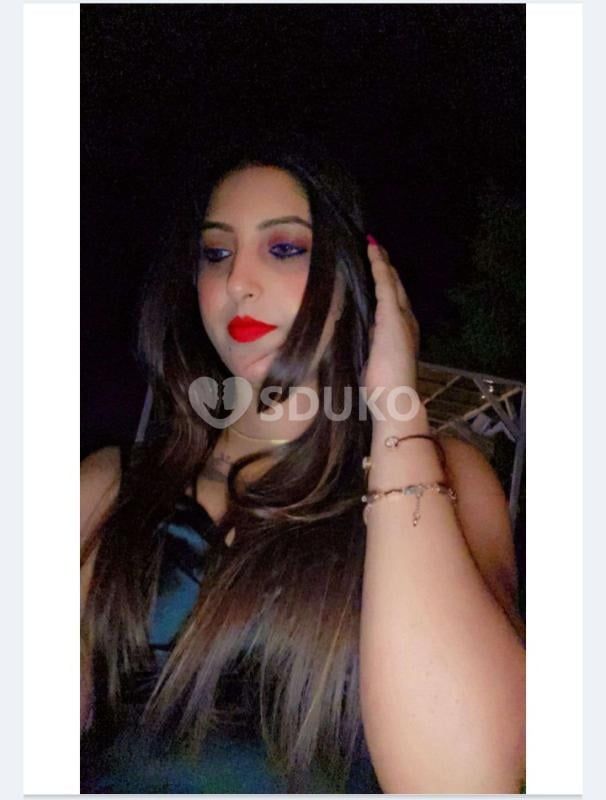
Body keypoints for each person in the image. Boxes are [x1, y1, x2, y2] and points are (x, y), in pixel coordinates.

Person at [80, 135, 526, 794]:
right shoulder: (110, 487)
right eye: (216, 253)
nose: (237, 281)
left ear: (353, 279)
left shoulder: (446, 479)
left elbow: (467, 778)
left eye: (284, 248)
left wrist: (396, 408)